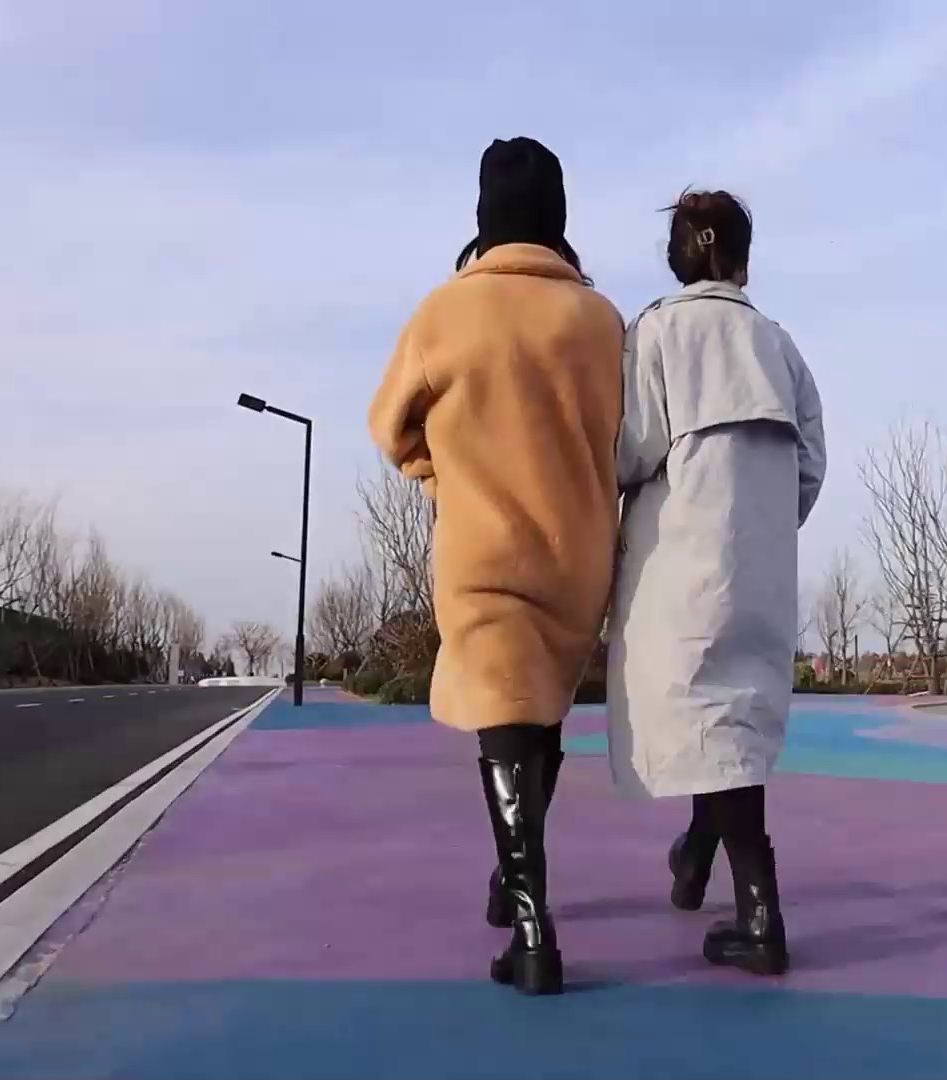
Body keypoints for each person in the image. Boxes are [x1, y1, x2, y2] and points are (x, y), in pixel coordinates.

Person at [366, 137, 624, 997]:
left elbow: (390, 427)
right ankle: (512, 880)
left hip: (483, 548)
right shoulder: (600, 321)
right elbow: (629, 439)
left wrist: (443, 471)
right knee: (540, 717)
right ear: (558, 218)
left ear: (483, 219)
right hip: (578, 554)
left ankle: (532, 927)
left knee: (506, 718)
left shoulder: (445, 313)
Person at [609, 189, 825, 976]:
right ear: (744, 261)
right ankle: (698, 852)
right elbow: (811, 464)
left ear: (677, 257)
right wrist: (763, 522)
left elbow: (629, 450)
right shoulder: (779, 345)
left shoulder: (656, 333)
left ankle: (761, 914)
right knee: (732, 712)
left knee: (702, 704)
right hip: (761, 562)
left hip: (681, 558)